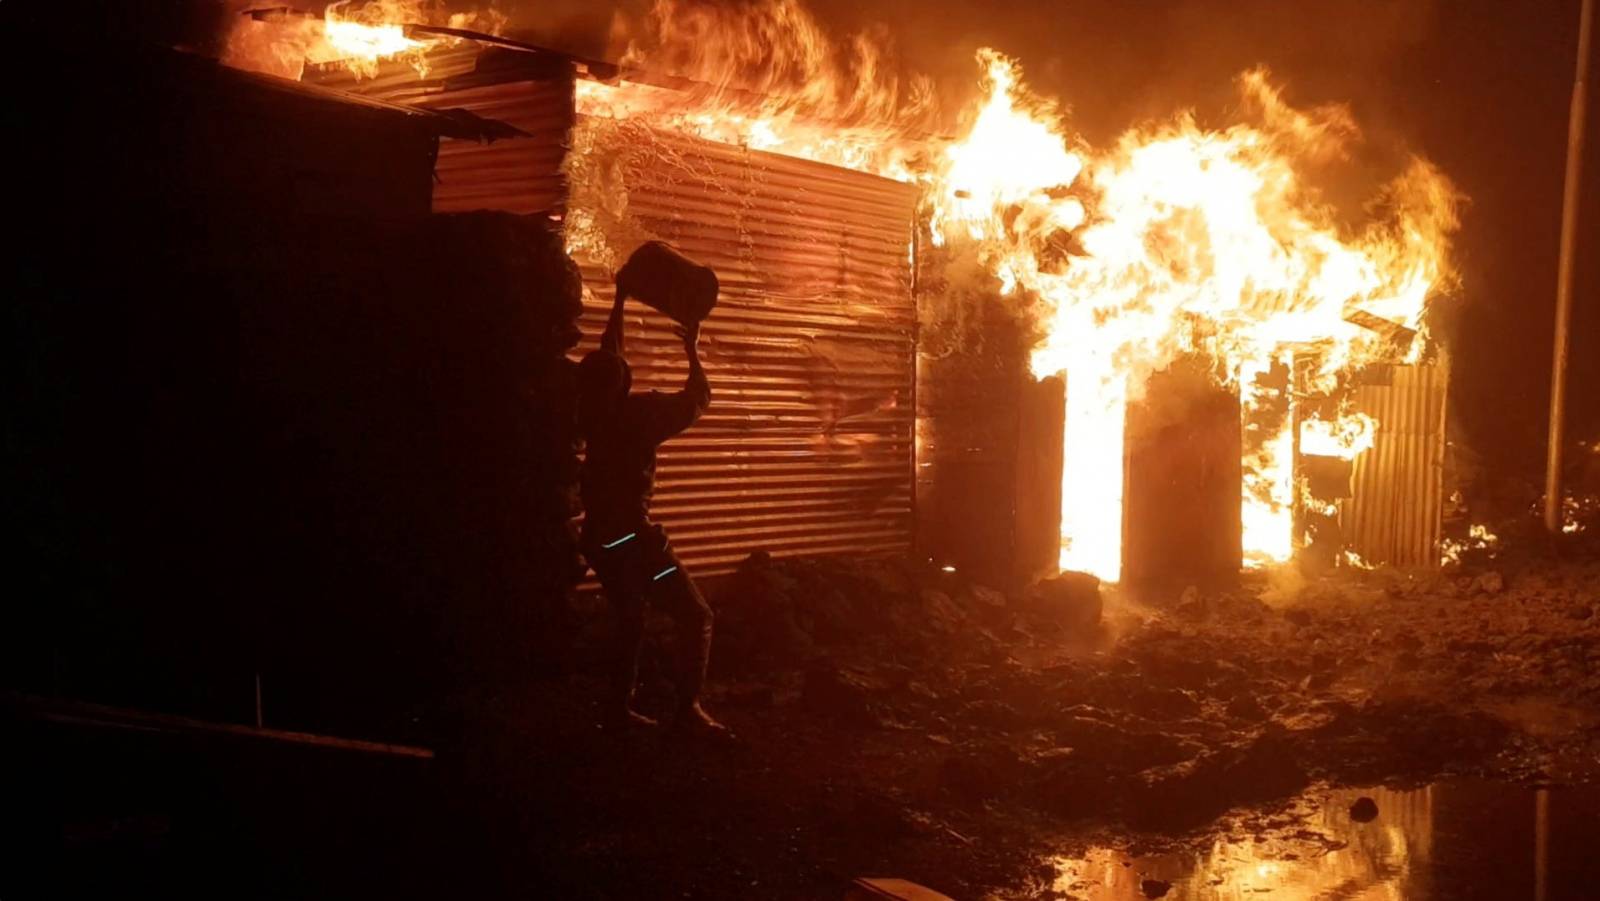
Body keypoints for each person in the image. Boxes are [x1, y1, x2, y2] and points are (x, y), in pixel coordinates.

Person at [576, 283, 728, 737]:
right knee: (695, 615)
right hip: (635, 544)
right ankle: (687, 712)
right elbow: (696, 399)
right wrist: (694, 350)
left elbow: (608, 360)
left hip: (601, 541)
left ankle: (617, 709)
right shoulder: (639, 418)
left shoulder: (589, 411)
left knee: (629, 617)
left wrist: (620, 301)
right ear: (622, 384)